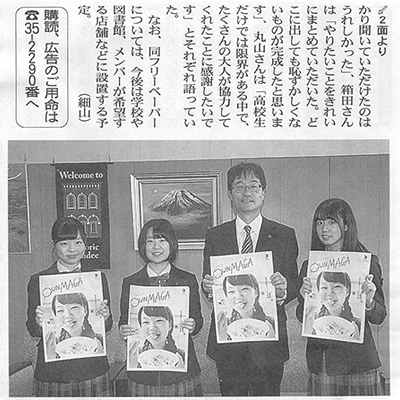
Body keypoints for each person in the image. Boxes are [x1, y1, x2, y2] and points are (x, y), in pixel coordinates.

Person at [202, 162, 299, 396]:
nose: (247, 192)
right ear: (230, 194)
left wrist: (284, 289)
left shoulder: (284, 235)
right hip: (228, 342)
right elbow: (209, 282)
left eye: (254, 186)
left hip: (269, 343)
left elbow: (293, 283)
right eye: (239, 186)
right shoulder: (215, 236)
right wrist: (208, 287)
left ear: (263, 193)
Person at [296, 198, 387, 396]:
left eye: (331, 222)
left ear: (346, 226)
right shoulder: (309, 266)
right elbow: (301, 317)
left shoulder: (366, 263)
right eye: (320, 222)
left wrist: (369, 302)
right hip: (323, 360)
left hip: (358, 360)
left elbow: (380, 316)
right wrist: (304, 298)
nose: (324, 229)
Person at [26, 217, 113, 397]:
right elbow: (32, 329)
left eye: (78, 242)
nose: (72, 249)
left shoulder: (97, 278)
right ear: (54, 245)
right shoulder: (38, 281)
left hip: (92, 369)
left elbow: (107, 325)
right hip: (54, 372)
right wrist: (39, 323)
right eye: (64, 243)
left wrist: (105, 317)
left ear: (85, 244)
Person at [119, 218, 203, 396]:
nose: (156, 247)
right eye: (150, 241)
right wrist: (124, 330)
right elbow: (124, 322)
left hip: (180, 371)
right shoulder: (130, 282)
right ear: (143, 246)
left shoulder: (188, 280)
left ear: (171, 244)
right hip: (143, 372)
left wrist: (193, 324)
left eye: (162, 240)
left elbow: (198, 320)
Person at [45, 292, 105, 360]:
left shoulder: (100, 341)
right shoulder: (52, 346)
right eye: (60, 311)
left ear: (85, 310)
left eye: (74, 308)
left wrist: (100, 357)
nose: (68, 315)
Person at [218, 274, 275, 340]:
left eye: (244, 289)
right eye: (231, 292)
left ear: (256, 292)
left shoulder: (272, 323)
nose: (238, 296)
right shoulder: (223, 326)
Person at [303, 271, 361, 338]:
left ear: (347, 291)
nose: (330, 293)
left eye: (337, 287)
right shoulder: (311, 321)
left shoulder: (358, 325)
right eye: (324, 287)